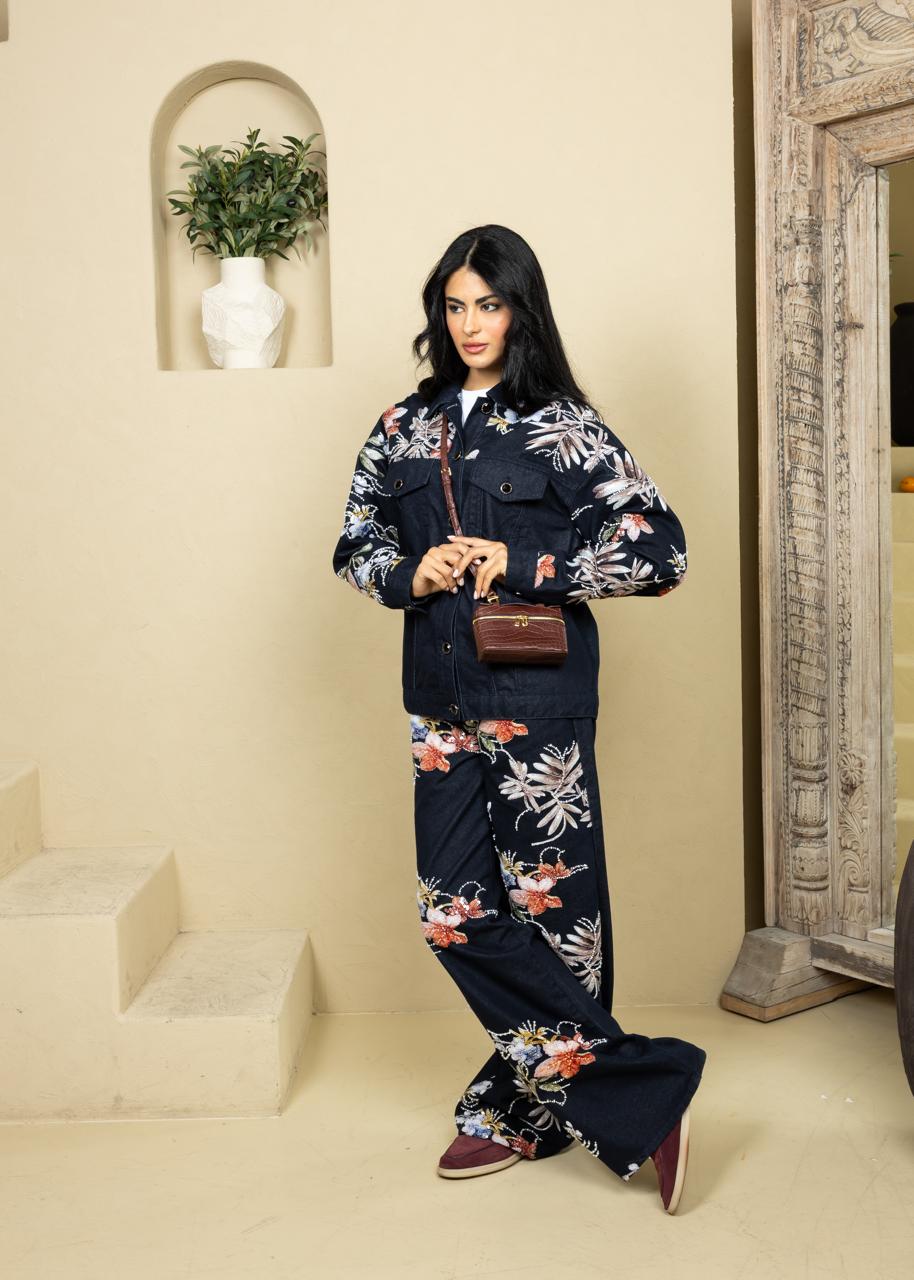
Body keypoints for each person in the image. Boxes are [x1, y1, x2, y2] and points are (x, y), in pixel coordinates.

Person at [330, 224, 706, 1213]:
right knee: (453, 915)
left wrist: (527, 563)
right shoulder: (401, 427)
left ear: (520, 311)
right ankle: (647, 1090)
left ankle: (516, 1111)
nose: (470, 325)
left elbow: (658, 551)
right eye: (455, 306)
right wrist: (409, 571)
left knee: (555, 921)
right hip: (439, 700)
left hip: (537, 705)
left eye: (488, 305)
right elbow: (355, 542)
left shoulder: (561, 425)